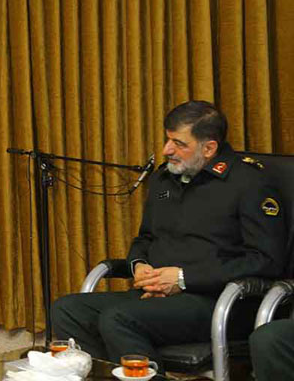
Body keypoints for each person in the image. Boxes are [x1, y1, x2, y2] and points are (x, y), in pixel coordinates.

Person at [52, 100, 286, 371]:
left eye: (179, 143)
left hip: (218, 300)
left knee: (118, 318)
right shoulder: (164, 179)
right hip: (157, 296)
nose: (166, 150)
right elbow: (145, 238)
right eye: (167, 140)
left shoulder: (248, 182)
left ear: (209, 148)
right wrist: (140, 265)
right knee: (67, 310)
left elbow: (265, 260)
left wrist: (184, 278)